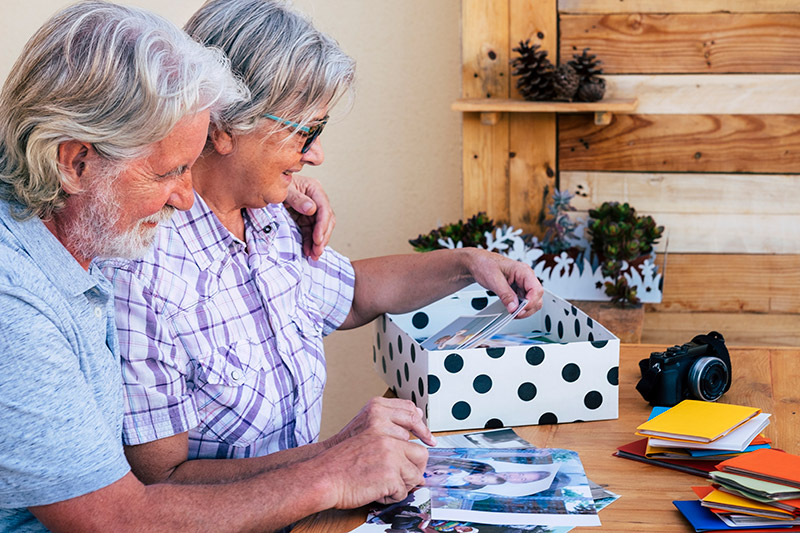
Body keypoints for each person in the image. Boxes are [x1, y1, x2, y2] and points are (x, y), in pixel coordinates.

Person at [0, 3, 429, 531]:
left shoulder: (83, 242)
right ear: (74, 161)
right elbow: (116, 518)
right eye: (168, 172)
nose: (185, 199)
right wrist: (330, 472)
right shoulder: (16, 303)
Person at [99, 0, 544, 488]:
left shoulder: (270, 213)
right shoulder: (141, 273)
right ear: (223, 125)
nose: (316, 153)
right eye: (305, 131)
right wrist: (334, 457)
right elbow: (161, 482)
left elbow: (351, 294)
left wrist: (467, 264)